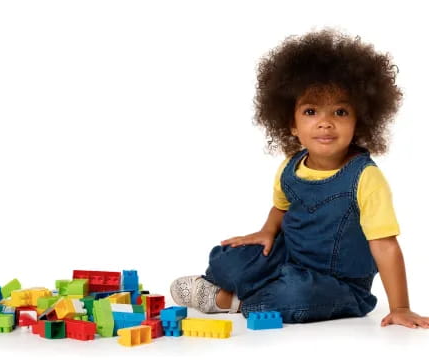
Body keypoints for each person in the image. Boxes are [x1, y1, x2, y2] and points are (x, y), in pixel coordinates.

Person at [170, 28, 429, 328]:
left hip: (337, 283)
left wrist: (401, 307)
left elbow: (385, 245)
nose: (325, 122)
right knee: (229, 259)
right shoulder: (291, 167)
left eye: (341, 112)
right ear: (291, 124)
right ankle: (239, 284)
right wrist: (267, 231)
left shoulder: (366, 178)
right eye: (310, 111)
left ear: (360, 123)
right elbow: (280, 208)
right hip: (288, 258)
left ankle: (230, 299)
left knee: (297, 294)